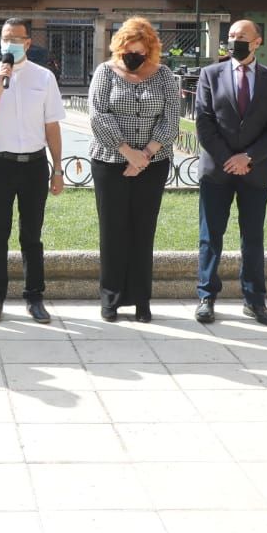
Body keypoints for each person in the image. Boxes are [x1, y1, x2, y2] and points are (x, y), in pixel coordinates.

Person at [194, 19, 267, 327]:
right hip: (216, 171)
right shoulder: (210, 75)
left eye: (241, 36)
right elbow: (204, 123)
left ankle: (255, 301)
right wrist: (228, 159)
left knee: (253, 239)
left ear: (257, 41)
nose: (234, 41)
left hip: (255, 171)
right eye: (231, 36)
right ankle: (207, 297)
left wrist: (248, 158)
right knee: (211, 237)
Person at [0, 17, 65, 324]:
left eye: (16, 38)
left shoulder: (44, 78)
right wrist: (1, 85)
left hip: (34, 166)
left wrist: (58, 169)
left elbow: (52, 126)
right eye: (5, 38)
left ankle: (34, 297)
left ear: (28, 42)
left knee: (32, 235)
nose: (9, 44)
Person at [88, 18, 180, 323]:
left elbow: (171, 118)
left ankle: (142, 300)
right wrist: (127, 152)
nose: (133, 56)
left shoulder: (164, 75)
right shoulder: (105, 73)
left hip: (153, 164)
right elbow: (99, 114)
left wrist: (145, 155)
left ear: (150, 50)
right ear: (119, 47)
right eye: (128, 50)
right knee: (112, 231)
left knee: (143, 232)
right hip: (110, 163)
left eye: (140, 52)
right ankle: (110, 298)